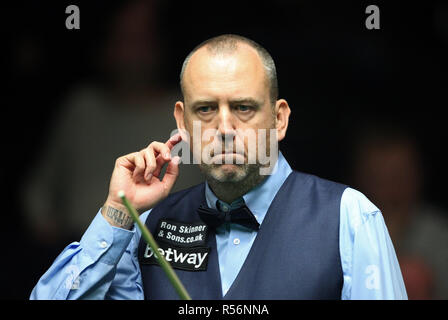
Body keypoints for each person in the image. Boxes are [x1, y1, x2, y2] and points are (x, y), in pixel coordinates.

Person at [30, 34, 407, 300]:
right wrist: (116, 212)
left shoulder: (350, 217)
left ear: (279, 120)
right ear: (183, 122)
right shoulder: (147, 226)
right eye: (206, 109)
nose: (224, 129)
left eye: (243, 107)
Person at [349, 123, 448, 299]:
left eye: (398, 177)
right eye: (378, 179)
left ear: (418, 176)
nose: (391, 190)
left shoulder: (439, 233)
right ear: (359, 180)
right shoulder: (343, 230)